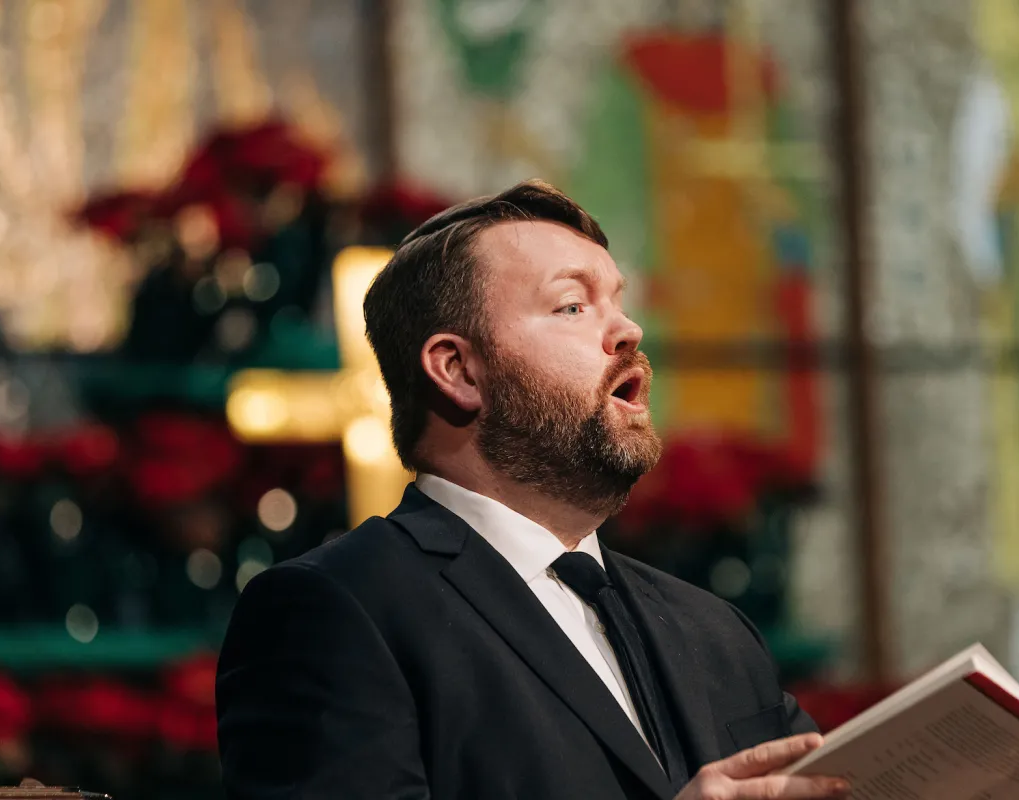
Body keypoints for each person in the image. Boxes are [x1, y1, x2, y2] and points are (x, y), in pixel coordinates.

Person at [215, 180, 850, 799]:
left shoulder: (714, 631)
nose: (628, 331)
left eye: (618, 302)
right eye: (573, 306)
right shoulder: (337, 611)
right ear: (458, 369)